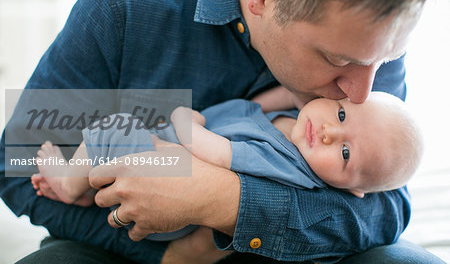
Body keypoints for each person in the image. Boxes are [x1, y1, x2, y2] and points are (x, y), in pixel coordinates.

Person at [0, 0, 444, 263]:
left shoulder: (366, 44)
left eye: (386, 62)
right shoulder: (125, 4)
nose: (362, 93)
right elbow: (18, 170)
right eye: (338, 60)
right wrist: (170, 255)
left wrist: (224, 202)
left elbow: (386, 203)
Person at [31, 91, 422, 213]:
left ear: (356, 192)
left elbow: (215, 153)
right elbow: (261, 104)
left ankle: (69, 184)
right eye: (340, 113)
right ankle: (86, 194)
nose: (328, 133)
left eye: (347, 154)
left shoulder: (286, 164)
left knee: (115, 126)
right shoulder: (298, 128)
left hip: (172, 175)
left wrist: (187, 120)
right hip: (166, 164)